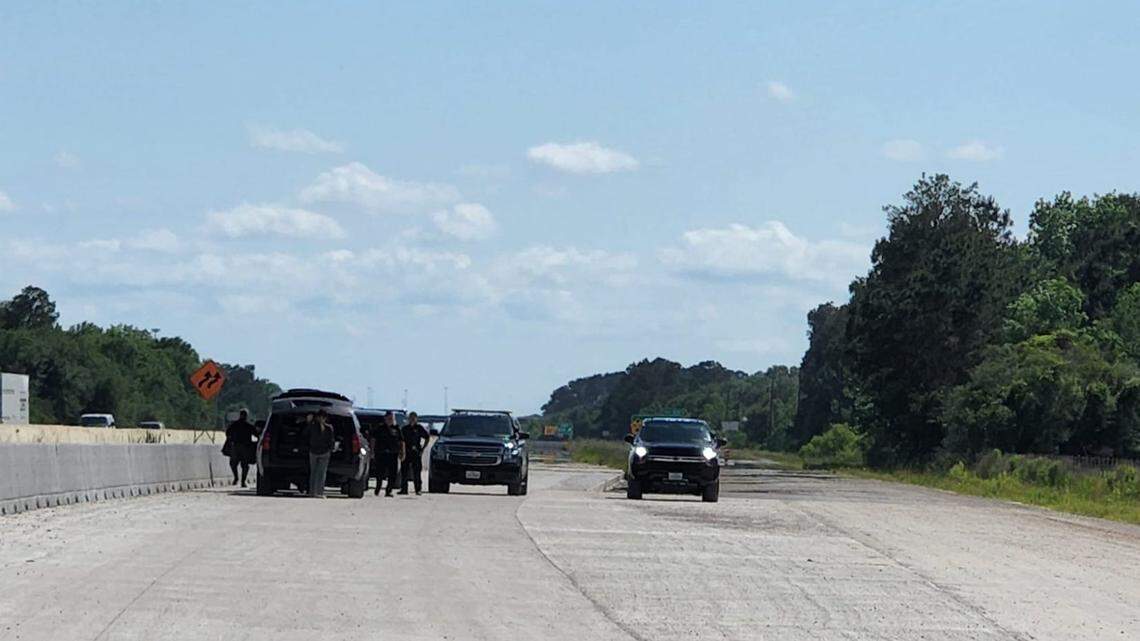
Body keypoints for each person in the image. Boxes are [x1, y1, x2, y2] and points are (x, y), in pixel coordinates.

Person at [371, 411, 404, 497]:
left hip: (393, 454)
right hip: (381, 454)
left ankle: (388, 491)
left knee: (393, 474)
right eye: (389, 418)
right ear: (385, 418)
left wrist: (402, 452)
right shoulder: (380, 428)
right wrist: (372, 451)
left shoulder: (397, 428)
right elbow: (373, 439)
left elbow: (401, 441)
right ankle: (378, 488)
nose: (390, 420)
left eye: (392, 418)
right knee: (380, 473)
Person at [224, 409, 257, 487]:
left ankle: (239, 479)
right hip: (242, 448)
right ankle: (241, 480)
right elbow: (256, 434)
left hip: (238, 447)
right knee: (242, 465)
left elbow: (228, 433)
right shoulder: (247, 426)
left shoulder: (236, 425)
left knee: (236, 464)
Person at [400, 411, 430, 495]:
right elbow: (400, 440)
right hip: (406, 452)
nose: (412, 419)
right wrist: (401, 451)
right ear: (408, 419)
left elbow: (427, 437)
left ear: (416, 419)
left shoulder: (419, 428)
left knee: (416, 472)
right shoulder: (405, 429)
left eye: (414, 418)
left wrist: (423, 449)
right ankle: (404, 489)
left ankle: (418, 489)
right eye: (411, 418)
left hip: (416, 452)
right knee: (404, 471)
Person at [308, 410, 335, 498]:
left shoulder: (328, 428)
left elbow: (331, 440)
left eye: (323, 417)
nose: (321, 419)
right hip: (315, 451)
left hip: (323, 452)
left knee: (320, 473)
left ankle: (318, 492)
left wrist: (330, 449)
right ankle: (313, 492)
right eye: (320, 417)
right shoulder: (313, 426)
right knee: (315, 472)